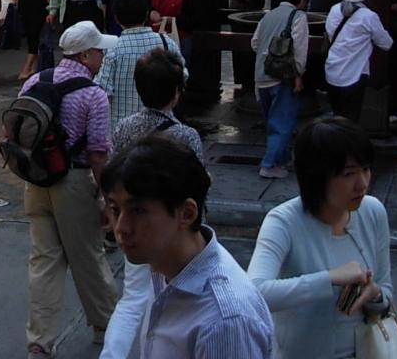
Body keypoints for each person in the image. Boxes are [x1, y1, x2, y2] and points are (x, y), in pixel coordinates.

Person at [102, 137, 275, 359]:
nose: (121, 227)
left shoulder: (224, 323)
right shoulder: (164, 267)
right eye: (115, 209)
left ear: (187, 213)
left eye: (137, 211)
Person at [247, 118, 394, 359]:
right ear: (316, 177)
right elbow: (254, 292)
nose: (362, 184)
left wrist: (374, 294)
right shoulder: (283, 222)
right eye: (348, 174)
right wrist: (329, 279)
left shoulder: (372, 211)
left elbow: (386, 288)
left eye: (366, 169)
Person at [21, 21, 120, 356]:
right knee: (88, 256)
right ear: (85, 55)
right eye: (99, 51)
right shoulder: (93, 94)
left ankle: (39, 342)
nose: (103, 57)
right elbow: (98, 154)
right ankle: (106, 324)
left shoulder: (36, 81)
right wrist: (108, 199)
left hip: (37, 181)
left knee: (44, 262)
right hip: (74, 183)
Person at [101, 49, 206, 359]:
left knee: (133, 299)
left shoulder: (124, 127)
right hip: (174, 232)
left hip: (135, 223)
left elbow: (113, 174)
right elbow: (200, 183)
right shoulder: (186, 135)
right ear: (176, 92)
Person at [97, 0, 187, 132]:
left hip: (123, 130)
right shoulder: (166, 43)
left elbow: (102, 91)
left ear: (116, 18)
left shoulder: (114, 50)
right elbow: (183, 75)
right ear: (146, 14)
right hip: (163, 130)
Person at [252, 0, 310, 179]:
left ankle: (282, 159)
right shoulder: (298, 17)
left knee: (272, 121)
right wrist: (298, 74)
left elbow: (255, 43)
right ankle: (269, 164)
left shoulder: (267, 16)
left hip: (261, 75)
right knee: (283, 123)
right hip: (283, 77)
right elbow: (300, 50)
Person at [323, 0, 393, 124]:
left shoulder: (334, 10)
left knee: (337, 116)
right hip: (354, 76)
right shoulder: (369, 16)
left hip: (332, 72)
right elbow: (386, 44)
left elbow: (330, 34)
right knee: (350, 120)